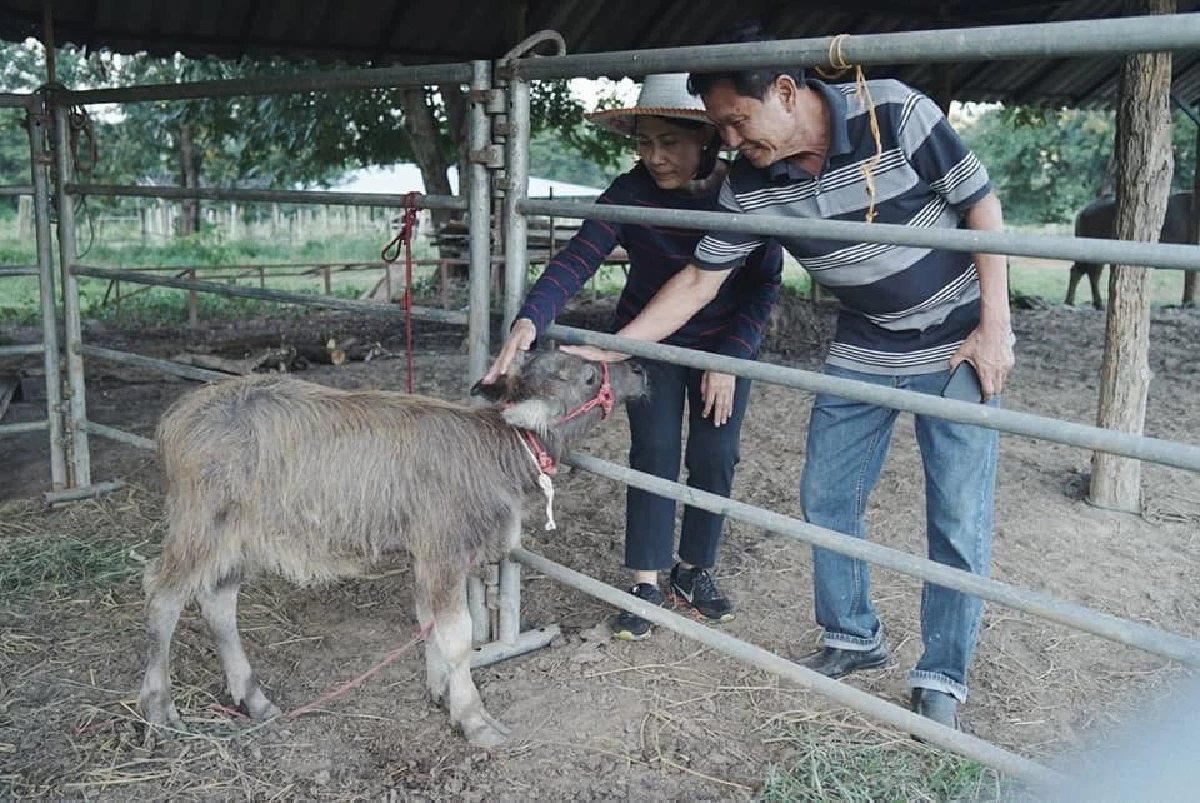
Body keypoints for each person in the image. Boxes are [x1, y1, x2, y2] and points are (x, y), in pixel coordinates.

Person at [562, 24, 1014, 730]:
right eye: (721, 128)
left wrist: (996, 326)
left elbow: (982, 207)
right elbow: (698, 281)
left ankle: (942, 676)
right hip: (864, 341)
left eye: (737, 122)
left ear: (783, 91)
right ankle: (852, 636)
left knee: (956, 513)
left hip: (954, 339)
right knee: (825, 492)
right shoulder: (750, 185)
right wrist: (609, 348)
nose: (732, 142)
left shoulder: (894, 112)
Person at [483, 73, 783, 641]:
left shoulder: (745, 194)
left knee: (716, 456)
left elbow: (764, 286)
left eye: (669, 143)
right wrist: (531, 318)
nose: (655, 157)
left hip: (723, 344)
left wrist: (732, 358)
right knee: (655, 451)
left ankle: (694, 571)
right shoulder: (629, 191)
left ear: (707, 141)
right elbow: (578, 258)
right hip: (646, 340)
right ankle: (645, 581)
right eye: (644, 143)